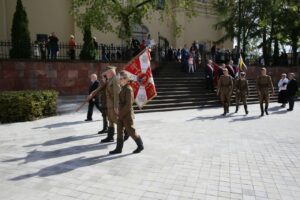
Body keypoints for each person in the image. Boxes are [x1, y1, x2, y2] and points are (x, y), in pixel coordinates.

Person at [109, 71, 144, 154]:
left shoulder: (128, 89)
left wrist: (120, 114)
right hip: (121, 114)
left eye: (121, 79)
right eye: (119, 79)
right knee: (119, 130)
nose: (119, 80)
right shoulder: (123, 88)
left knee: (131, 131)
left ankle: (140, 145)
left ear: (126, 79)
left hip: (127, 114)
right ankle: (118, 148)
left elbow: (128, 105)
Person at [100, 66, 120, 143]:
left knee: (116, 120)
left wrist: (116, 106)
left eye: (107, 73)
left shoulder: (115, 79)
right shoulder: (110, 80)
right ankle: (110, 136)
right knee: (110, 120)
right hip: (109, 104)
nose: (106, 75)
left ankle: (126, 132)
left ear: (111, 72)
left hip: (113, 105)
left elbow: (117, 93)